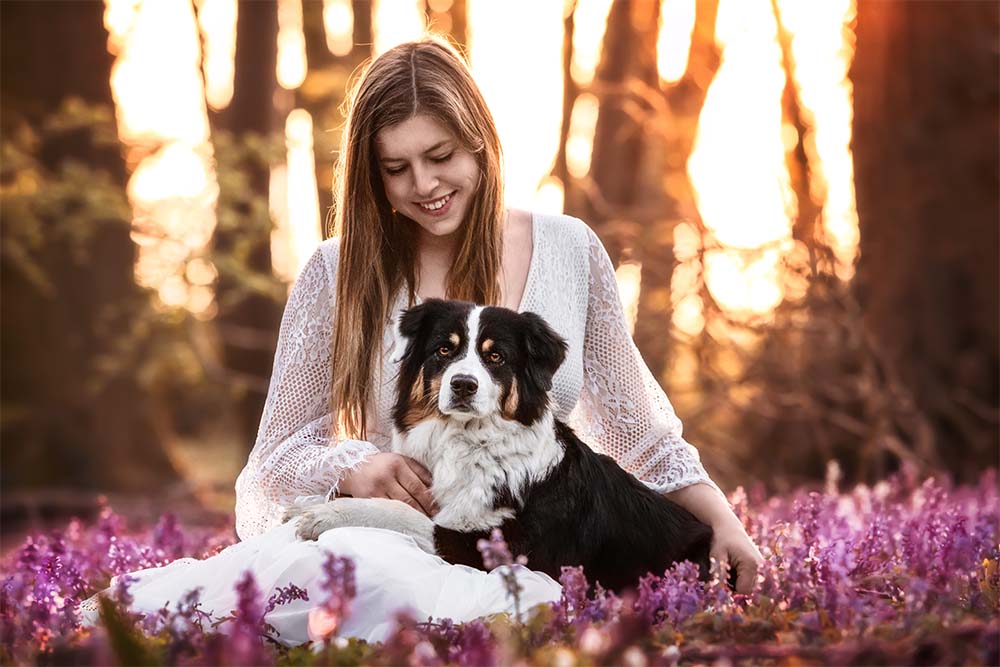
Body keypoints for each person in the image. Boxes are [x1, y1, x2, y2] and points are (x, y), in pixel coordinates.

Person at [82, 36, 762, 645]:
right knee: (374, 579)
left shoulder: (570, 250)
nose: (425, 186)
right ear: (371, 173)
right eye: (396, 168)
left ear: (479, 142)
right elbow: (272, 463)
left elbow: (640, 434)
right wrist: (352, 467)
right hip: (392, 541)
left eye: (440, 156)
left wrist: (720, 522)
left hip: (533, 547)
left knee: (532, 604)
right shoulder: (335, 273)